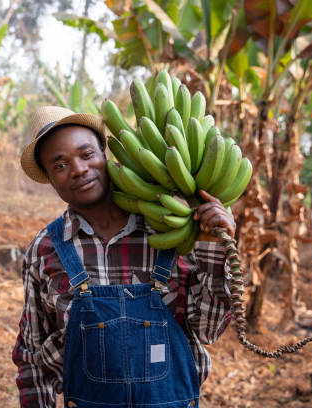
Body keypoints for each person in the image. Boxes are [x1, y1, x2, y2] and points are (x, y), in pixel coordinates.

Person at [12, 106, 235, 408]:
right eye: (60, 165)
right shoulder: (46, 249)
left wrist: (214, 247)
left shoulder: (170, 231)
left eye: (86, 154)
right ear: (50, 179)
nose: (78, 169)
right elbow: (33, 355)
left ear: (105, 155)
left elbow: (208, 330)